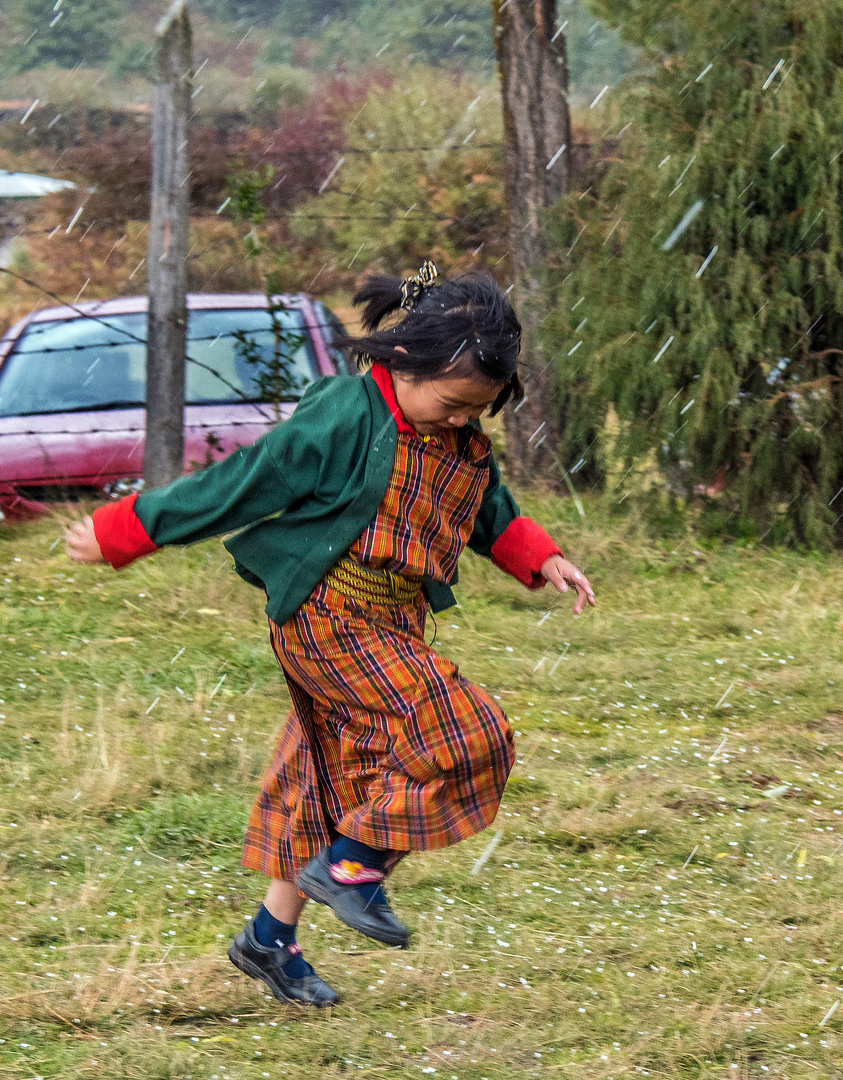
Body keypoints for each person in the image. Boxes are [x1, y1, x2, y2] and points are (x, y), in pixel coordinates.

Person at [65, 262, 595, 1007]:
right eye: (449, 404)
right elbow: (244, 481)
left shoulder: (459, 438)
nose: (457, 421)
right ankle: (351, 868)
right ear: (404, 364)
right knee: (467, 731)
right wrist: (126, 530)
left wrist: (543, 557)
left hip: (391, 622)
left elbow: (488, 509)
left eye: (474, 412)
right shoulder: (345, 415)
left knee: (331, 779)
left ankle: (270, 940)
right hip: (325, 617)